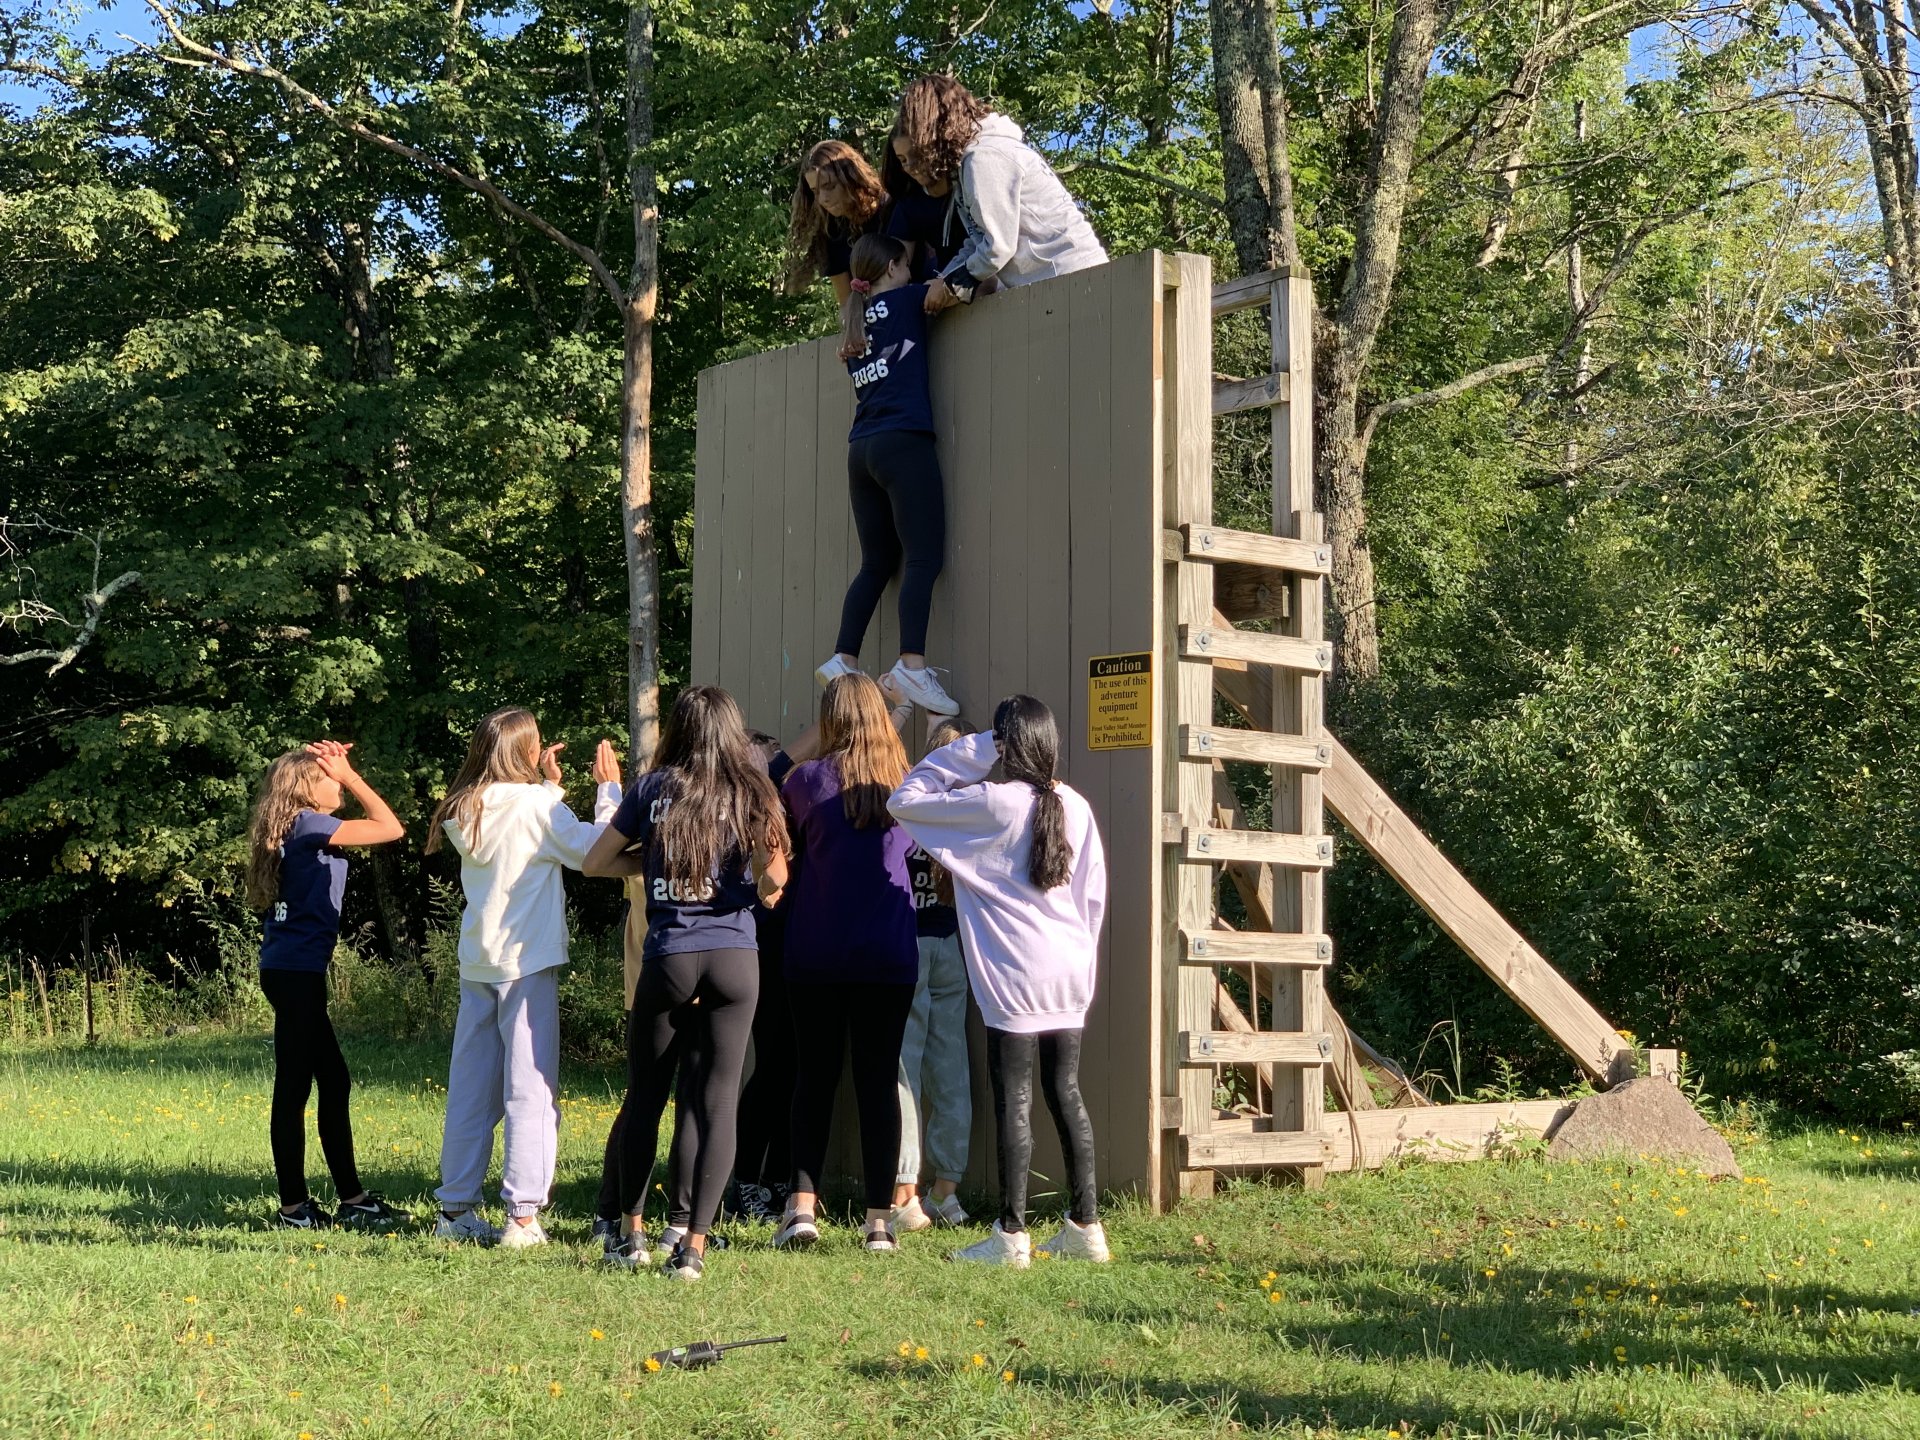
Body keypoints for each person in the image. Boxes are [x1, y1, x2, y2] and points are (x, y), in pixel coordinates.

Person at [888, 695, 1110, 1267]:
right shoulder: (1075, 805)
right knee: (1067, 1094)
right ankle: (1086, 1227)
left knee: (1014, 1096)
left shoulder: (990, 803)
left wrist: (979, 746)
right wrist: (1083, 964)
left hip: (1016, 972)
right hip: (1068, 969)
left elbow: (906, 799)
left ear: (1005, 745)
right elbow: (1093, 896)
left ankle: (1011, 1236)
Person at [583, 687, 788, 1282]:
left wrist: (651, 868)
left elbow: (596, 862)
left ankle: (632, 1233)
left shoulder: (651, 790)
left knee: (645, 1095)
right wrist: (745, 882)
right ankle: (693, 1244)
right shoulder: (751, 790)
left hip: (670, 955)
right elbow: (774, 877)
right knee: (717, 1101)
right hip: (734, 956)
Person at [426, 707, 622, 1249]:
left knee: (471, 1087)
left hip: (479, 961)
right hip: (527, 960)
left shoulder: (467, 804)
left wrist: (548, 786)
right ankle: (522, 1215)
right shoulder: (537, 807)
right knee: (529, 1089)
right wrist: (608, 791)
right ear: (525, 752)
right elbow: (594, 851)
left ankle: (456, 1208)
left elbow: (522, 819)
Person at [774, 674, 920, 1254]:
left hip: (816, 948)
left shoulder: (807, 781)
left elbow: (778, 820)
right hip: (888, 952)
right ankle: (879, 1222)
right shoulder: (907, 787)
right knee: (878, 1083)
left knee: (814, 1077)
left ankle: (802, 1209)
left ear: (832, 719)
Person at [245, 740, 408, 1231]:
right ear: (307, 789)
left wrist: (338, 769)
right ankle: (296, 1209)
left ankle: (348, 1199)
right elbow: (390, 828)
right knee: (296, 1086)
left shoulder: (293, 826)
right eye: (330, 776)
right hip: (295, 974)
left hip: (289, 970)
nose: (338, 781)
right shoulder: (311, 824)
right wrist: (355, 776)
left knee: (328, 1080)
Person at [815, 232, 962, 719]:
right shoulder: (909, 298)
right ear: (896, 266)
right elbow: (956, 284)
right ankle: (911, 666)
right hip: (904, 442)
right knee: (923, 559)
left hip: (862, 450)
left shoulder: (852, 322)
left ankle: (843, 657)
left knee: (876, 564)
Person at [890, 76, 1107, 313]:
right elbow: (977, 241)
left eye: (918, 145)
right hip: (1057, 284)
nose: (911, 165)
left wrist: (950, 287)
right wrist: (943, 278)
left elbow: (998, 247)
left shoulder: (984, 157)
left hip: (1074, 279)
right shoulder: (971, 161)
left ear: (934, 128)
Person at [726, 724, 822, 1223]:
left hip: (799, 945)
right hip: (762, 945)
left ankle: (782, 1178)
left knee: (796, 1067)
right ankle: (744, 1181)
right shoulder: (744, 805)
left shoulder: (789, 805)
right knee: (775, 1065)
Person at [890, 716, 976, 1233]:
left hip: (908, 942)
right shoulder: (972, 809)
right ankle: (948, 1189)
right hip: (953, 944)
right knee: (951, 1065)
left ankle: (905, 1191)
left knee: (904, 1067)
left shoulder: (913, 802)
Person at [784, 138, 890, 306]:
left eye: (830, 186)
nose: (823, 199)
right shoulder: (830, 231)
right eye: (815, 192)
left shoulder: (888, 209)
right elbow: (846, 304)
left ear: (851, 177)